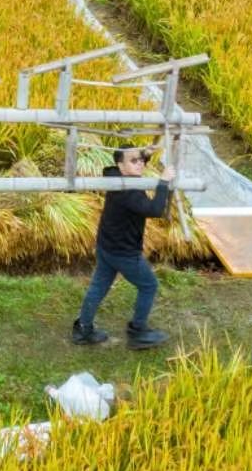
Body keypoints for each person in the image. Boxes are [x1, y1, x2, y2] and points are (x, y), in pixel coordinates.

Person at [71, 146, 176, 351]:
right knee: (149, 286)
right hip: (124, 252)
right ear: (121, 165)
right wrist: (163, 182)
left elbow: (118, 164)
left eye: (141, 160)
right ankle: (138, 332)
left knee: (99, 286)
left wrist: (146, 152)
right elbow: (154, 210)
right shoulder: (128, 192)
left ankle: (83, 328)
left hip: (106, 245)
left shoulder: (113, 175)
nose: (141, 164)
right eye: (134, 161)